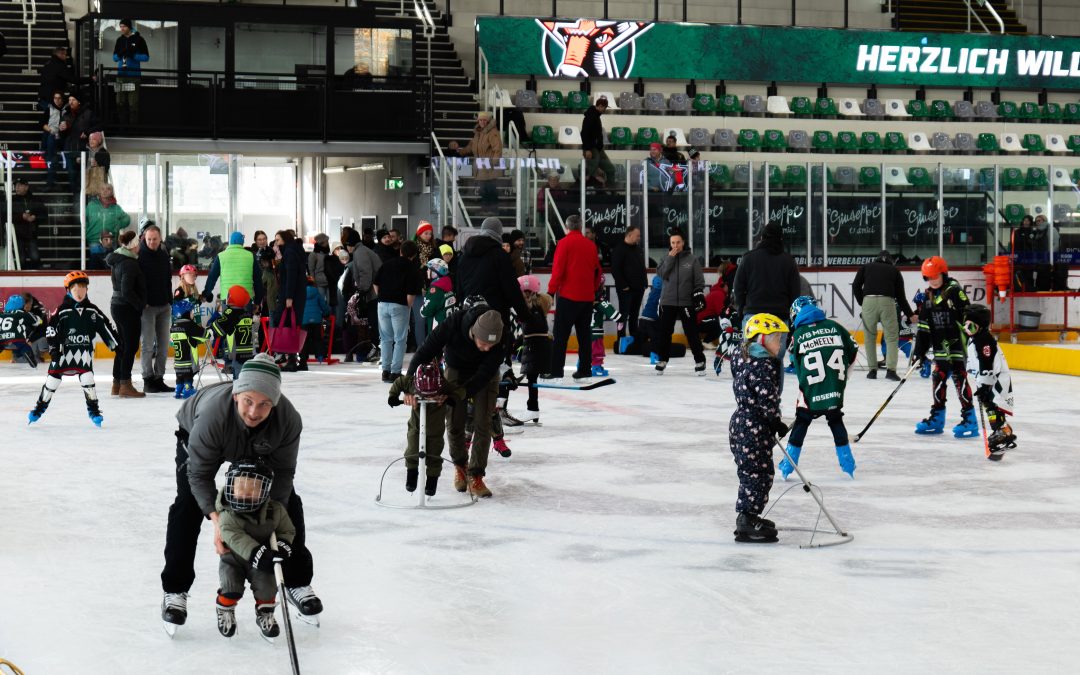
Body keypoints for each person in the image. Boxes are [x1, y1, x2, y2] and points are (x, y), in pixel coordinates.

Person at [160, 354, 322, 632]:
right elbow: (199, 475)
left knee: (289, 504)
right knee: (187, 505)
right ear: (236, 395)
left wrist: (273, 516)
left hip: (262, 445)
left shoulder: (287, 420)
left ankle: (297, 581)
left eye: (264, 404)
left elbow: (283, 475)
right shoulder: (213, 417)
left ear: (275, 403)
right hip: (199, 431)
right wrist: (217, 520)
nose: (254, 412)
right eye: (248, 400)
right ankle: (175, 590)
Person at [406, 303, 506, 498]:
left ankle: (476, 475)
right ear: (474, 333)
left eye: (491, 346)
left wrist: (463, 392)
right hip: (456, 369)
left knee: (483, 422)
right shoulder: (452, 324)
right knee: (454, 420)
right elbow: (424, 352)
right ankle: (460, 465)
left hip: (484, 376)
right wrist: (408, 385)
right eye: (483, 343)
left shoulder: (500, 337)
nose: (487, 349)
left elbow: (485, 373)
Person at [213, 460, 295, 640]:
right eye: (240, 487)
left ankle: (265, 613)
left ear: (265, 491)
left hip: (263, 559)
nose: (245, 492)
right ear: (230, 486)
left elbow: (286, 530)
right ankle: (225, 609)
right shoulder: (226, 515)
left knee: (268, 587)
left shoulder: (275, 510)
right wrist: (260, 555)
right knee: (230, 588)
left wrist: (282, 546)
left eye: (253, 488)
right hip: (232, 559)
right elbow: (235, 538)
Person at [780, 297, 859, 480]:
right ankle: (848, 463)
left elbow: (794, 361)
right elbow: (853, 351)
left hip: (810, 392)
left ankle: (788, 465)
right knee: (835, 420)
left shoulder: (797, 335)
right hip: (834, 388)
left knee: (802, 422)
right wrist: (840, 380)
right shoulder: (836, 327)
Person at [727, 313, 789, 544]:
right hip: (755, 426)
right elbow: (767, 398)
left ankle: (750, 514)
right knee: (759, 474)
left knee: (749, 472)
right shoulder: (763, 365)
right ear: (761, 339)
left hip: (740, 423)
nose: (779, 344)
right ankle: (746, 520)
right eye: (775, 339)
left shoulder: (741, 356)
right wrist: (776, 422)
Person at [28, 271, 119, 426]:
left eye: (83, 288)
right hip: (63, 354)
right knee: (51, 383)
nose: (79, 291)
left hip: (83, 354)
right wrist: (54, 349)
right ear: (68, 290)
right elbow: (51, 330)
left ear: (87, 290)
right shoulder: (62, 310)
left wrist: (116, 345)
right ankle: (39, 408)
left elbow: (106, 327)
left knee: (88, 380)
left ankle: (93, 410)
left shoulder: (92, 310)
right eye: (75, 288)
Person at [912, 256, 976, 438]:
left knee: (959, 377)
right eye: (927, 277)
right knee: (938, 376)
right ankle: (938, 418)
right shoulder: (927, 297)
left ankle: (970, 419)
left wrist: (974, 337)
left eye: (934, 276)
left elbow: (969, 316)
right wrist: (919, 353)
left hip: (957, 343)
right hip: (940, 345)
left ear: (943, 273)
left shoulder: (954, 291)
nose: (931, 281)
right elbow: (923, 329)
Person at [731, 222, 801, 390]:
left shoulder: (748, 258)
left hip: (753, 318)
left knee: (750, 360)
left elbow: (738, 288)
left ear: (761, 237)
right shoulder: (788, 261)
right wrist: (791, 320)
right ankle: (773, 404)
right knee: (776, 361)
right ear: (782, 238)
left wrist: (741, 310)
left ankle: (750, 401)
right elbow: (795, 294)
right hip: (779, 319)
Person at [387, 362, 463, 496]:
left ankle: (432, 482)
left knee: (434, 454)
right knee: (412, 450)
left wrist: (450, 398)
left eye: (431, 394)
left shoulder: (444, 385)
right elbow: (398, 382)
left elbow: (460, 391)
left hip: (436, 430)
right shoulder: (410, 382)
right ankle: (411, 475)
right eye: (424, 394)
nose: (427, 397)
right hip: (416, 427)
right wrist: (393, 396)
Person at [547, 214, 601, 380]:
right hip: (586, 298)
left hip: (568, 297)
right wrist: (592, 290)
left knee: (560, 336)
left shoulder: (563, 244)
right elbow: (598, 271)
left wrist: (550, 291)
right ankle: (585, 369)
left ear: (567, 227)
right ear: (581, 226)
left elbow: (558, 271)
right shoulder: (591, 245)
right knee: (584, 336)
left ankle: (556, 370)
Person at [963, 304, 1017, 460]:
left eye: (971, 325)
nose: (967, 328)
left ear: (980, 326)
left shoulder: (984, 341)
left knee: (994, 406)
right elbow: (975, 362)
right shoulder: (975, 339)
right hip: (987, 381)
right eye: (966, 324)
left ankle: (1002, 432)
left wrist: (985, 387)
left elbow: (986, 364)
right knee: (990, 407)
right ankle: (1001, 431)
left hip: (996, 381)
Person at [853, 250, 915, 381]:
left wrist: (862, 301)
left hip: (868, 302)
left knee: (869, 337)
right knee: (892, 337)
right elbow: (901, 297)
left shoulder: (866, 267)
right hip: (887, 302)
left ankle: (872, 371)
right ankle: (891, 371)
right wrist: (910, 314)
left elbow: (856, 285)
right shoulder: (895, 271)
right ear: (890, 261)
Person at [653, 230, 707, 376]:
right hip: (668, 301)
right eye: (673, 243)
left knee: (692, 333)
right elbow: (662, 275)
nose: (675, 245)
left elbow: (699, 282)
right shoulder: (665, 258)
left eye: (678, 242)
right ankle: (662, 360)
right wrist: (670, 259)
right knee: (664, 333)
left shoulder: (692, 260)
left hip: (686, 302)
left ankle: (700, 361)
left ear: (683, 243)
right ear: (670, 244)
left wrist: (698, 293)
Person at [373, 240, 422, 382]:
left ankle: (385, 371)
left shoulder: (387, 263)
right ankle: (395, 372)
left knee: (386, 339)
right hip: (400, 306)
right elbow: (411, 293)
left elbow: (375, 284)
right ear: (413, 255)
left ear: (400, 251)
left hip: (382, 304)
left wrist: (382, 297)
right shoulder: (412, 268)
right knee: (400, 339)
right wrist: (408, 306)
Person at [106, 230, 146, 398]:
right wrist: (139, 305)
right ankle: (125, 385)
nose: (140, 245)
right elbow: (126, 290)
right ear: (133, 245)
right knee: (130, 346)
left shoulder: (118, 259)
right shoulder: (129, 263)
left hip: (118, 306)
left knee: (122, 346)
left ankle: (117, 383)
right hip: (126, 308)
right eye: (138, 242)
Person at [139, 224, 175, 394]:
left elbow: (167, 279)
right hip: (148, 308)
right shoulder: (140, 256)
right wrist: (142, 301)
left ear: (160, 239)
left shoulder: (163, 255)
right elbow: (136, 283)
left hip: (164, 306)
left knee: (163, 345)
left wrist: (170, 300)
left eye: (155, 239)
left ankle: (159, 378)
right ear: (144, 239)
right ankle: (147, 379)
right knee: (147, 345)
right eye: (149, 239)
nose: (152, 242)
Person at [449, 111, 502, 214]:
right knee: (483, 189)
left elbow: (497, 149)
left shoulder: (492, 133)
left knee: (490, 189)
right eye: (480, 120)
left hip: (488, 166)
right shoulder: (478, 133)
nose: (482, 122)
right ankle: (486, 209)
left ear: (488, 121)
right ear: (478, 121)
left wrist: (493, 163)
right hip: (480, 167)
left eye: (484, 120)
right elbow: (471, 147)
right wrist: (460, 152)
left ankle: (492, 210)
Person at [515, 275, 552, 424]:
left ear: (527, 292)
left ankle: (532, 409)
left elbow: (532, 328)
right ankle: (533, 410)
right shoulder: (536, 307)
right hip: (536, 347)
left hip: (534, 348)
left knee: (532, 380)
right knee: (532, 380)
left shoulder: (532, 309)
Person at [273, 230, 308, 371]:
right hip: (298, 294)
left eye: (278, 240)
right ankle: (300, 360)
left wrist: (288, 297)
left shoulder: (290, 252)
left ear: (285, 240)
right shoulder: (295, 250)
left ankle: (292, 360)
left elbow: (291, 276)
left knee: (286, 324)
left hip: (291, 295)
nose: (277, 243)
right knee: (296, 326)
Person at [202, 231, 261, 307]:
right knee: (245, 319)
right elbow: (258, 280)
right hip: (246, 299)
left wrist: (206, 293)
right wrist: (258, 301)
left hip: (227, 299)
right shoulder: (251, 256)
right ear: (242, 242)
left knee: (228, 319)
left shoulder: (221, 256)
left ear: (230, 242)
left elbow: (212, 278)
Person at [60, 92, 101, 198]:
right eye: (69, 100)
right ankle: (77, 199)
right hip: (70, 150)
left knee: (83, 176)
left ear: (79, 102)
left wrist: (87, 132)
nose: (70, 102)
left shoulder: (88, 113)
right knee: (72, 177)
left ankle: (83, 200)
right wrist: (62, 129)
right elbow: (62, 134)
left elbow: (99, 125)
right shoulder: (66, 115)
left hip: (83, 149)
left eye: (73, 100)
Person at [209, 286, 255, 379]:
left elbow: (218, 328)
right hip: (248, 353)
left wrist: (210, 327)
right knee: (245, 376)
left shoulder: (231, 313)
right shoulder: (248, 314)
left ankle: (239, 392)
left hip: (236, 353)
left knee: (238, 380)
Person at [611, 224, 647, 344]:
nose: (639, 238)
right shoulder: (619, 249)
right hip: (626, 290)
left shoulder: (638, 249)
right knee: (623, 315)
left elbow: (641, 267)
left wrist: (644, 282)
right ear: (630, 235)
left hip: (638, 288)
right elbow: (615, 270)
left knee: (634, 314)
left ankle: (634, 337)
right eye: (637, 236)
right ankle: (621, 339)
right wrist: (623, 285)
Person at [112, 18, 149, 125]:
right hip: (121, 76)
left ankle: (133, 128)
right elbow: (114, 58)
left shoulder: (139, 40)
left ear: (129, 27)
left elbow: (146, 57)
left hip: (133, 76)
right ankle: (122, 126)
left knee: (133, 103)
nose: (121, 29)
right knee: (119, 102)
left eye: (124, 26)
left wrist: (133, 55)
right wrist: (120, 54)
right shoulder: (119, 40)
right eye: (120, 26)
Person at [3, 178, 45, 269]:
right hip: (17, 235)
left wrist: (35, 217)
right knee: (20, 259)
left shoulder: (35, 200)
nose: (16, 187)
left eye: (19, 185)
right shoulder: (11, 200)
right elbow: (5, 216)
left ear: (26, 187)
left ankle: (37, 279)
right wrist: (21, 217)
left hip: (31, 234)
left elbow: (44, 215)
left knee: (35, 257)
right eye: (16, 185)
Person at [169, 298, 205, 399]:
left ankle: (178, 389)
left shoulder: (173, 326)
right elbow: (202, 335)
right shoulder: (189, 324)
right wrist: (208, 332)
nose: (193, 314)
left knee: (180, 376)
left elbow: (172, 341)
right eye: (191, 311)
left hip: (178, 362)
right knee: (188, 376)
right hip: (188, 360)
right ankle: (188, 389)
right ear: (186, 313)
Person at [581, 96, 616, 188]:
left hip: (598, 149)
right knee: (591, 174)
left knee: (611, 169)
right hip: (592, 148)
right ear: (600, 106)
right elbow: (584, 133)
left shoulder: (595, 116)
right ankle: (587, 193)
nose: (604, 110)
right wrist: (587, 149)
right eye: (604, 107)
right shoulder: (590, 116)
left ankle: (609, 190)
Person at [36, 45, 83, 112]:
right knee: (54, 118)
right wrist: (91, 79)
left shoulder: (48, 64)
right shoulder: (59, 66)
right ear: (60, 54)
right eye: (64, 54)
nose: (66, 57)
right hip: (52, 99)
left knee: (50, 117)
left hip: (43, 98)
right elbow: (73, 80)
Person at [0, 295, 43, 368]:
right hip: (17, 338)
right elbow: (36, 321)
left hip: (2, 339)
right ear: (22, 305)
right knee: (23, 347)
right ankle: (32, 361)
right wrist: (40, 320)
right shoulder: (22, 313)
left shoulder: (2, 314)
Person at [589, 283, 622, 377]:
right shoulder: (601, 302)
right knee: (597, 350)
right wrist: (620, 319)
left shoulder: (584, 301)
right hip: (596, 332)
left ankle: (581, 365)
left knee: (585, 349)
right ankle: (596, 367)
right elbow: (611, 312)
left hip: (584, 331)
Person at [85, 183, 130, 252]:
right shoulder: (92, 205)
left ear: (112, 192)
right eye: (102, 189)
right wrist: (88, 232)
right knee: (96, 260)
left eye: (108, 189)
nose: (105, 191)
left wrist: (118, 225)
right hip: (94, 239)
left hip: (111, 240)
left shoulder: (116, 208)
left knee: (110, 261)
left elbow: (127, 219)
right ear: (99, 191)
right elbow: (84, 219)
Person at [299, 276, 331, 370]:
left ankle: (304, 357)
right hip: (316, 320)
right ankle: (320, 356)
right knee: (317, 338)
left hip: (304, 320)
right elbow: (323, 305)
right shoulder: (316, 292)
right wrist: (326, 314)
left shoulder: (301, 293)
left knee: (305, 340)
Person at [39, 91, 66, 192]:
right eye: (55, 98)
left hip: (61, 137)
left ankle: (51, 182)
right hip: (50, 136)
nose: (57, 100)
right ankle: (50, 182)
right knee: (50, 158)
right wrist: (51, 130)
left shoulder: (65, 110)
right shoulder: (49, 108)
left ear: (62, 99)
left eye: (59, 98)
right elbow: (42, 123)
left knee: (52, 159)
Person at [420, 258, 455, 332]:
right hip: (447, 323)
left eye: (429, 269)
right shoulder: (447, 283)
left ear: (435, 272)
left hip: (437, 325)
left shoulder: (436, 288)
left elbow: (428, 310)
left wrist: (422, 311)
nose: (427, 271)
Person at [85, 132, 110, 198]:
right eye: (90, 139)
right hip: (85, 180)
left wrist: (98, 164)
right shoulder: (85, 150)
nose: (91, 141)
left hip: (96, 183)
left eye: (94, 139)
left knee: (95, 200)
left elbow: (106, 168)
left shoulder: (104, 152)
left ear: (99, 141)